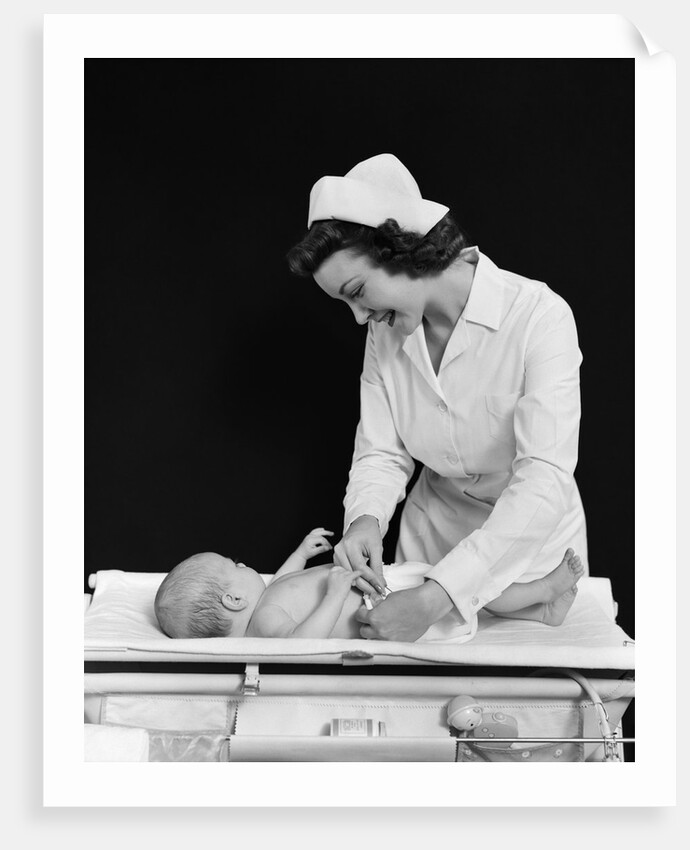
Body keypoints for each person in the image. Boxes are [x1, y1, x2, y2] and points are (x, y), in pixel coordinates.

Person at [286, 153, 588, 643]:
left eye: (358, 292)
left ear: (402, 249)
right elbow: (382, 450)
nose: (359, 318)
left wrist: (437, 597)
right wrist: (365, 520)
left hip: (534, 553)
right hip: (431, 535)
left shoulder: (538, 317)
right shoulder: (386, 335)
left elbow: (544, 479)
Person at [154, 524, 585, 640]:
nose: (244, 563)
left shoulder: (266, 601)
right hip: (387, 609)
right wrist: (335, 593)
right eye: (235, 563)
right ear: (232, 599)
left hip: (386, 589)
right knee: (468, 590)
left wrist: (302, 554)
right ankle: (543, 597)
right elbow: (304, 645)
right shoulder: (266, 626)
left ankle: (540, 608)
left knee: (464, 588)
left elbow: (281, 581)